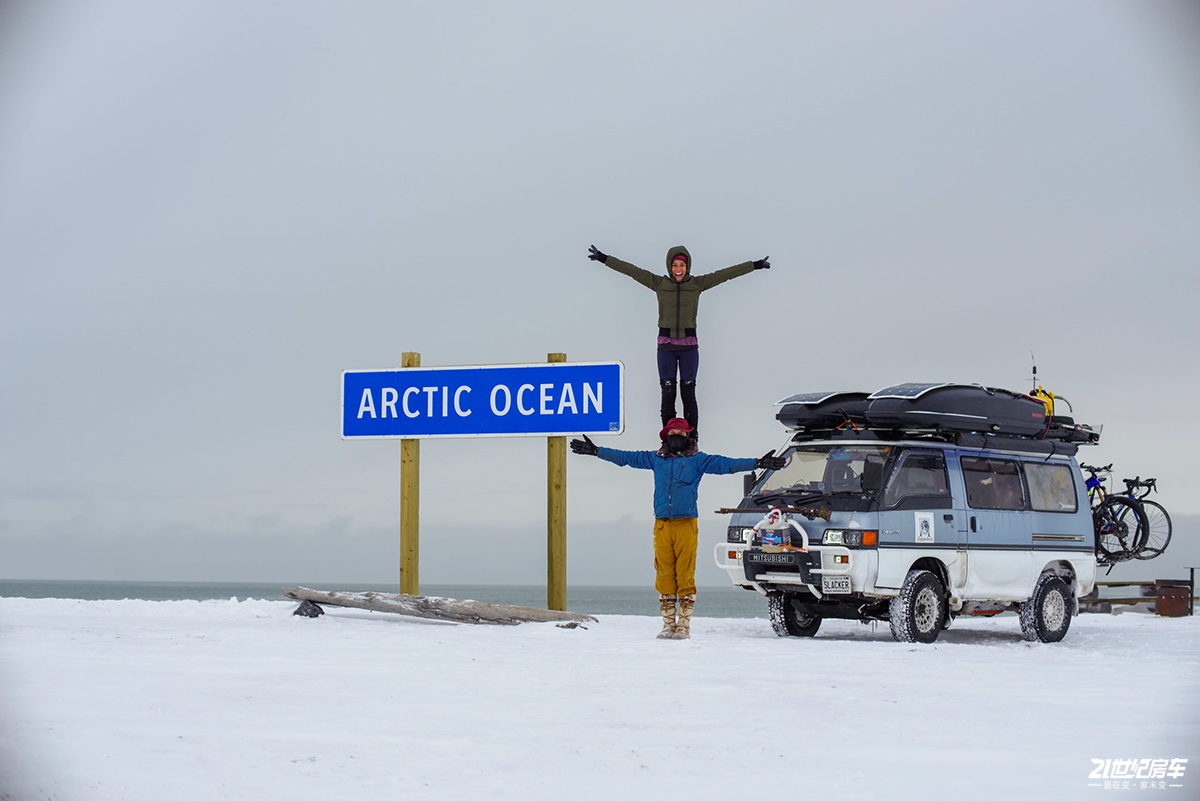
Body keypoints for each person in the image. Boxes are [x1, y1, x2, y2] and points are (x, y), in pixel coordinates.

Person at [571, 418, 786, 640]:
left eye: (681, 434)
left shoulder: (698, 460)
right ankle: (667, 624)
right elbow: (625, 458)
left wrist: (759, 463)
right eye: (672, 433)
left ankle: (683, 625)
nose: (676, 437)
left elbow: (726, 464)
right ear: (665, 436)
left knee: (685, 572)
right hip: (662, 524)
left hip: (686, 523)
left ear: (688, 437)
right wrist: (596, 451)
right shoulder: (655, 459)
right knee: (664, 574)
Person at [587, 244, 770, 440]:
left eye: (682, 264)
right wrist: (604, 258)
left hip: (689, 348)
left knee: (688, 394)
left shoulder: (697, 284)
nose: (678, 269)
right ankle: (668, 439)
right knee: (667, 393)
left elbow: (727, 274)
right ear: (669, 266)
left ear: (687, 266)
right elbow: (631, 271)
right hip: (665, 348)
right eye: (674, 265)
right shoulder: (659, 284)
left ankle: (692, 439)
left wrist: (755, 265)